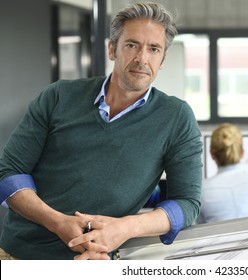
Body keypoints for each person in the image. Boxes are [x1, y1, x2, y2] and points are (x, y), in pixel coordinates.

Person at [0, 2, 203, 260]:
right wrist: (57, 222)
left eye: (154, 49)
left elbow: (187, 203)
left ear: (162, 59)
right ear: (112, 49)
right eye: (132, 45)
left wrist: (124, 228)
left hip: (100, 261)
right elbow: (8, 173)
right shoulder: (58, 96)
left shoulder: (176, 117)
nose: (142, 58)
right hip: (19, 256)